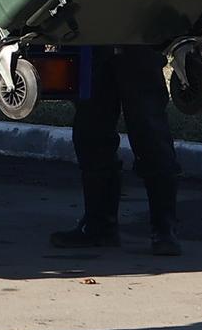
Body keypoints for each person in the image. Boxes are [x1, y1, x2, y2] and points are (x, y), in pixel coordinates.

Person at [47, 45, 181, 256]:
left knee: (149, 132)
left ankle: (164, 230)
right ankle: (100, 226)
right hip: (92, 43)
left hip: (135, 40)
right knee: (91, 132)